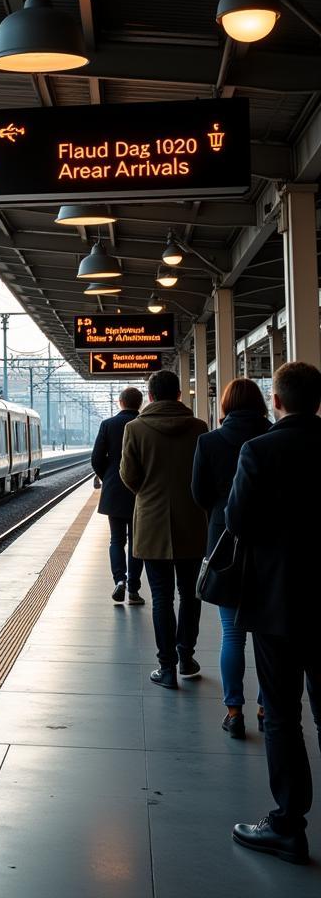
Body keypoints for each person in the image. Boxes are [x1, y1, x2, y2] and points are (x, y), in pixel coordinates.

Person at [228, 361, 321, 865]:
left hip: (277, 601)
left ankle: (288, 825)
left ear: (278, 403)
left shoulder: (258, 451)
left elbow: (240, 522)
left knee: (282, 715)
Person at [191, 378, 270, 740]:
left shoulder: (208, 442)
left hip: (225, 546)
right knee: (268, 635)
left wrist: (221, 512)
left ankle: (233, 711)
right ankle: (265, 706)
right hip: (272, 548)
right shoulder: (273, 436)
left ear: (224, 406)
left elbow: (199, 493)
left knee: (231, 634)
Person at [119, 369, 208, 689]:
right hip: (193, 522)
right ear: (180, 395)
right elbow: (205, 476)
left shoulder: (135, 428)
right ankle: (186, 656)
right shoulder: (199, 428)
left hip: (152, 522)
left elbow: (128, 475)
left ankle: (166, 668)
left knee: (160, 597)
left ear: (151, 396)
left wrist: (148, 492)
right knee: (190, 595)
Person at [91, 386, 144, 605]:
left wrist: (109, 477)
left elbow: (96, 458)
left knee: (116, 540)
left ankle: (119, 580)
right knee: (136, 542)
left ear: (120, 403)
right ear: (140, 403)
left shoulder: (108, 425)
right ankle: (133, 589)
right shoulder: (144, 424)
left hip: (114, 489)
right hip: (140, 491)